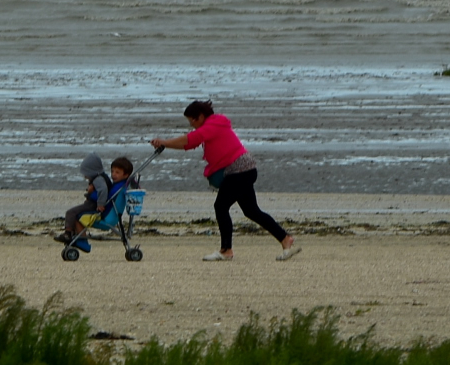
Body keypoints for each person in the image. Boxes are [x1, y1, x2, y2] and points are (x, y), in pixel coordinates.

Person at [150, 101, 299, 262]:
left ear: (201, 116)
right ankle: (285, 238)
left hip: (239, 171)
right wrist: (165, 145)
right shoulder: (213, 125)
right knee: (251, 211)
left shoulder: (213, 125)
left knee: (221, 206)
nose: (191, 124)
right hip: (244, 170)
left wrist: (164, 142)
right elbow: (191, 143)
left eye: (192, 120)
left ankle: (226, 250)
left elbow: (190, 139)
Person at [59, 153, 133, 252]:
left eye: (117, 172)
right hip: (108, 213)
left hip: (105, 215)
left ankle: (77, 239)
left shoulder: (118, 187)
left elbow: (103, 193)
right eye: (112, 171)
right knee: (76, 214)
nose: (113, 174)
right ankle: (78, 238)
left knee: (75, 215)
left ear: (126, 175)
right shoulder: (118, 185)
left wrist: (94, 196)